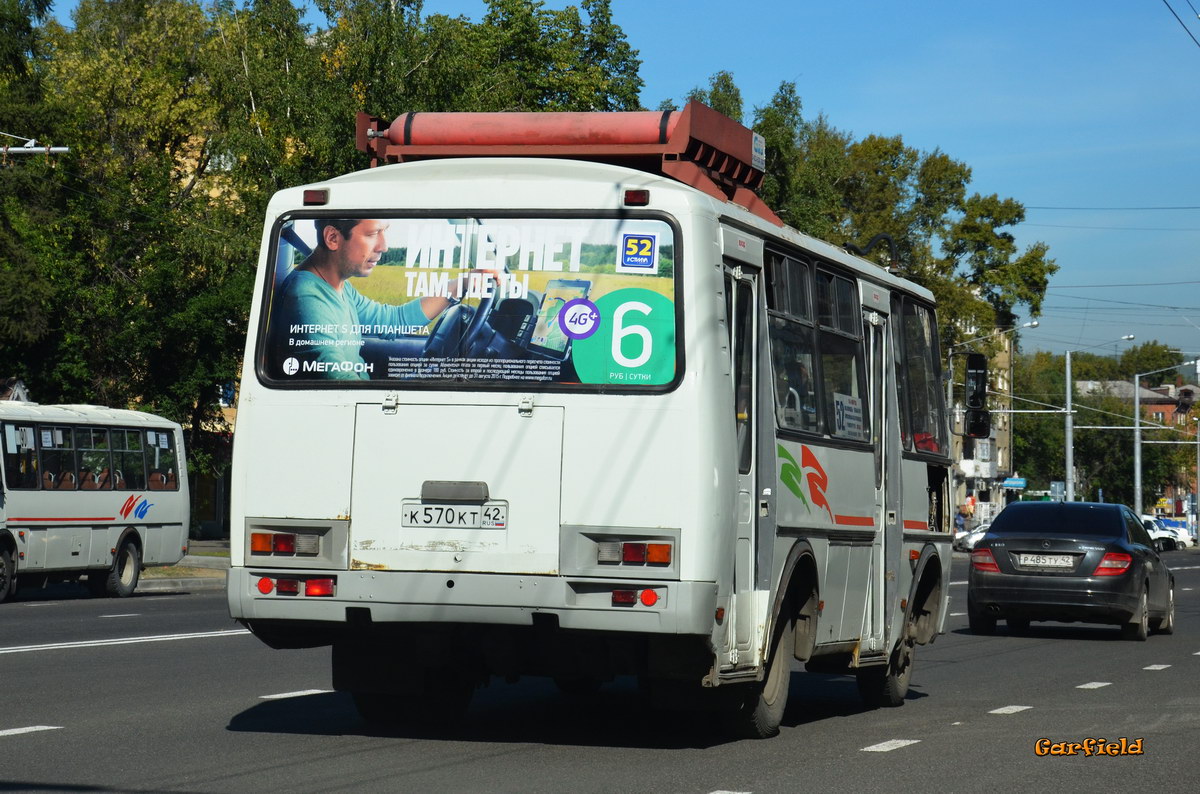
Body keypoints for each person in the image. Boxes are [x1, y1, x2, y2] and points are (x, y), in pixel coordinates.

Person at [271, 218, 464, 380]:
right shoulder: (306, 298)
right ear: (333, 238)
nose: (384, 246)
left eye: (384, 232)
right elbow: (339, 382)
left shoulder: (340, 287)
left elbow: (394, 321)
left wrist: (459, 285)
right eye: (373, 234)